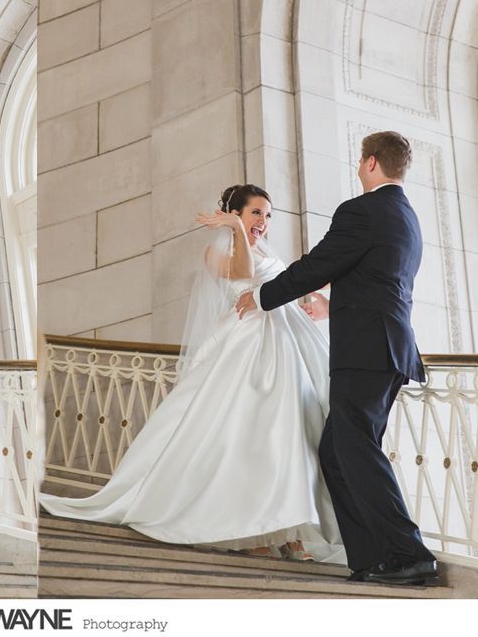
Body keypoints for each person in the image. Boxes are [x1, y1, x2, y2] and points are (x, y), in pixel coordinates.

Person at [40, 184, 343, 562]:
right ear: (235, 214)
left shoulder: (269, 251)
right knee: (247, 437)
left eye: (268, 215)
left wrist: (324, 299)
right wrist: (235, 230)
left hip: (286, 343)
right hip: (248, 347)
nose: (263, 223)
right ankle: (253, 530)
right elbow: (244, 273)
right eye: (254, 213)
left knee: (290, 435)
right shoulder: (218, 252)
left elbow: (301, 279)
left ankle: (293, 533)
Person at [236, 131, 437, 586]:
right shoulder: (406, 216)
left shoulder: (361, 209)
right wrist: (333, 304)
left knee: (355, 448)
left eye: (358, 162)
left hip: (367, 350)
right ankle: (371, 558)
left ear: (369, 163)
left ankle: (408, 554)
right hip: (387, 346)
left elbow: (320, 263)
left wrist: (264, 295)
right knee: (338, 450)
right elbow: (377, 278)